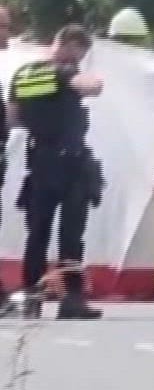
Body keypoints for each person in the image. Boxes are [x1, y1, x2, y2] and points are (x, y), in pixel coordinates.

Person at [5, 25, 105, 320]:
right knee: (71, 234)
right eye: (79, 53)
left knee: (37, 234)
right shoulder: (62, 72)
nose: (79, 60)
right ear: (67, 44)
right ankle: (71, 299)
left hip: (38, 162)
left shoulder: (22, 75)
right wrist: (93, 79)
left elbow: (13, 120)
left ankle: (31, 298)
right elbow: (91, 87)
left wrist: (43, 125)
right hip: (69, 164)